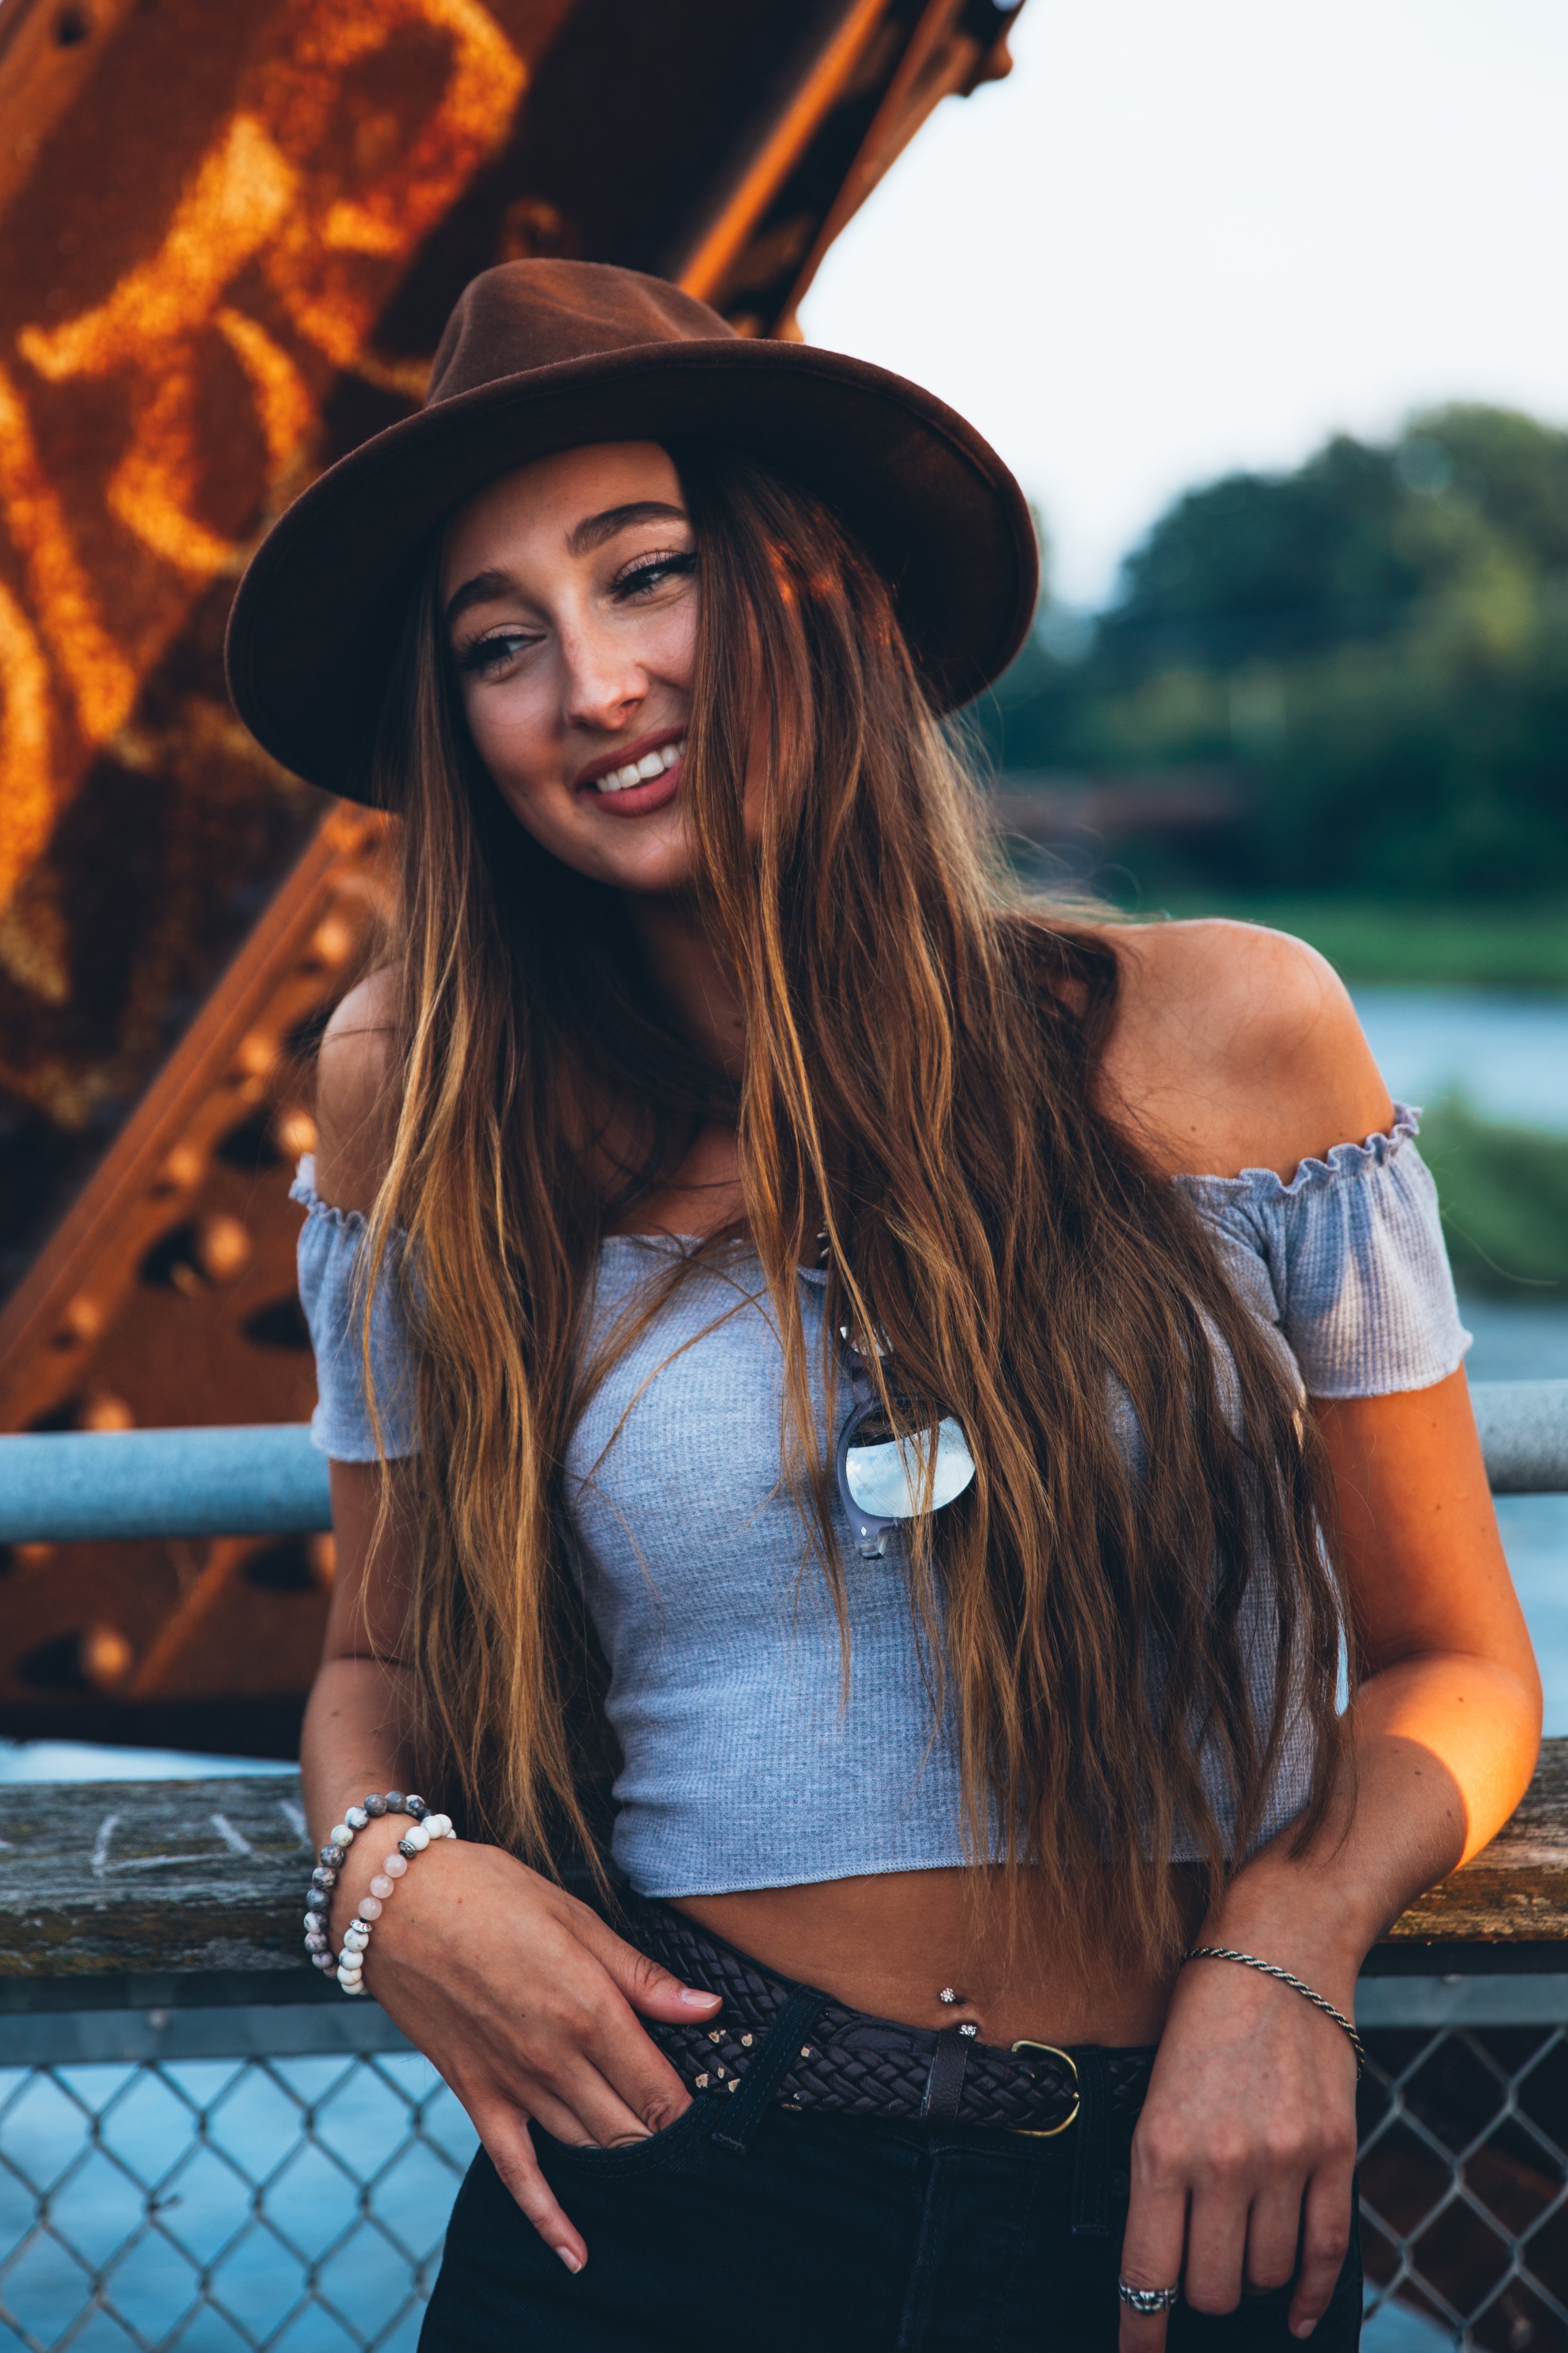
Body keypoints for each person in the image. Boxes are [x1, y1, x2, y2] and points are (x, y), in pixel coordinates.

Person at [226, 261, 1540, 2352]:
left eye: (645, 577)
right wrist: (396, 1881)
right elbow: (374, 1655)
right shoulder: (430, 1100)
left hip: (1184, 2187)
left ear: (812, 590)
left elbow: (1461, 1659)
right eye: (502, 643)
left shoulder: (1232, 1032)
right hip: (671, 2176)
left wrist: (1290, 1947)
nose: (591, 684)